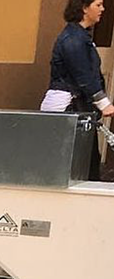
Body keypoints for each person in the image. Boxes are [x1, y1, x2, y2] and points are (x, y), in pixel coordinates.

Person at [42, 0, 114, 180]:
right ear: (84, 8)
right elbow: (84, 76)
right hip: (68, 108)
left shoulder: (80, 37)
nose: (102, 9)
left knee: (85, 164)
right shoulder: (73, 39)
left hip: (78, 108)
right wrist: (104, 103)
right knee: (75, 167)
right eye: (98, 5)